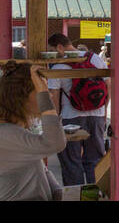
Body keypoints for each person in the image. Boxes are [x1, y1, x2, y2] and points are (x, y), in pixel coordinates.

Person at [0, 62, 66, 201]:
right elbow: (55, 143)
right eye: (40, 91)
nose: (49, 95)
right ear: (21, 97)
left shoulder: (14, 130)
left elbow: (50, 184)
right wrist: (43, 95)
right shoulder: (2, 134)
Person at [45, 33, 108, 186]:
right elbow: (108, 85)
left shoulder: (59, 66)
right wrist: (104, 111)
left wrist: (56, 121)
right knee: (95, 160)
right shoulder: (95, 59)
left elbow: (54, 97)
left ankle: (75, 194)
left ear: (59, 47)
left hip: (71, 117)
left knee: (71, 162)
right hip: (97, 116)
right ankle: (95, 193)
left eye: (53, 50)